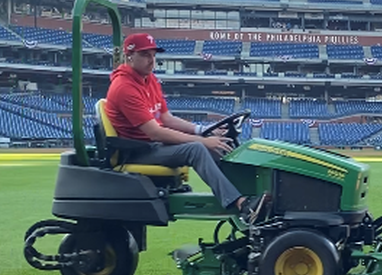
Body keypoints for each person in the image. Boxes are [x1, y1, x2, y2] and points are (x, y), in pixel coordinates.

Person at [104, 33, 268, 222]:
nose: (151, 60)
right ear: (129, 56)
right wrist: (204, 141)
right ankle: (241, 204)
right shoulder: (124, 87)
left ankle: (255, 194)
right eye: (145, 55)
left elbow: (166, 118)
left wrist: (204, 130)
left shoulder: (150, 80)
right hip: (138, 150)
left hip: (152, 146)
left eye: (153, 55)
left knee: (223, 144)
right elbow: (155, 132)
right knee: (197, 149)